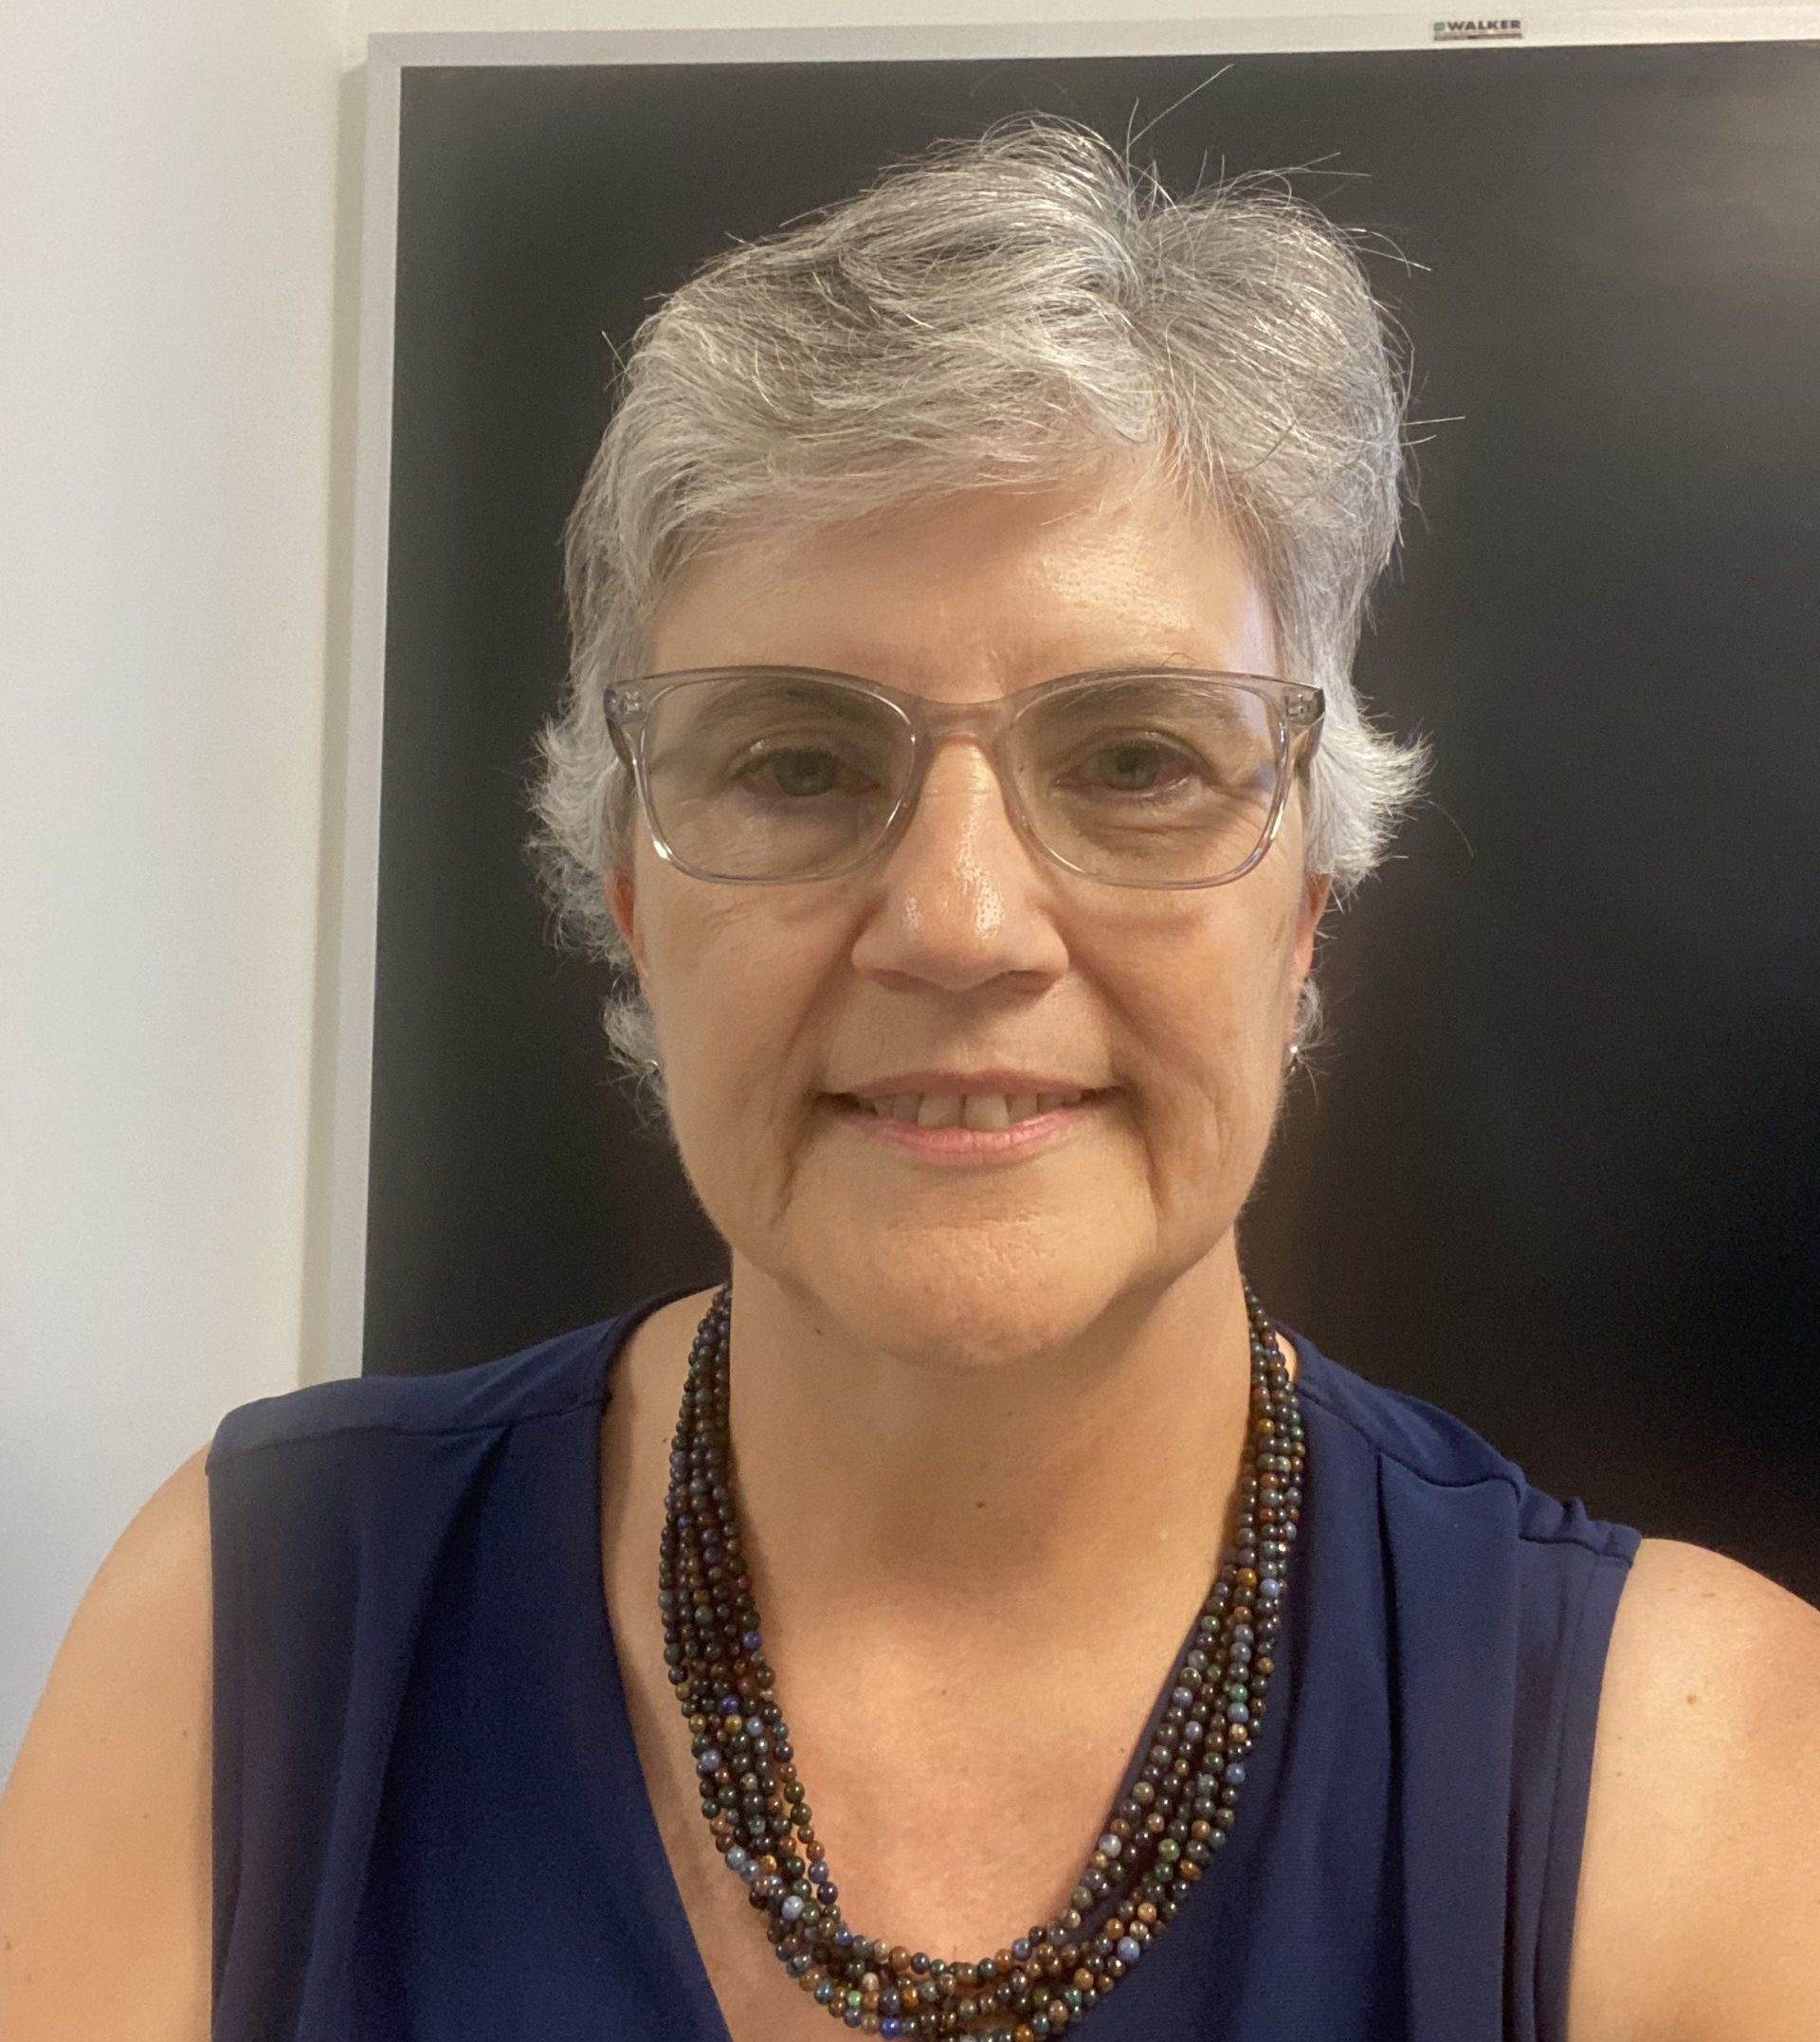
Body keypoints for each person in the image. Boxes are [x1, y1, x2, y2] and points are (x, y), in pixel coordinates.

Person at [2, 118, 1815, 2042]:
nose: (958, 923)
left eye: (1135, 760)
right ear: (627, 897)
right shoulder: (251, 1647)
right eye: (794, 762)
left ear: (1309, 905)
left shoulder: (1696, 1786)